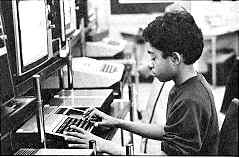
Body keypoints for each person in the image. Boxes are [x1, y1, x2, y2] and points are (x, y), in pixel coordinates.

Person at [63, 10, 219, 155]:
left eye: (153, 57)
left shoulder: (190, 100)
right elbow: (170, 132)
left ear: (175, 59)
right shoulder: (189, 85)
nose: (150, 64)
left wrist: (103, 145)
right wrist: (118, 122)